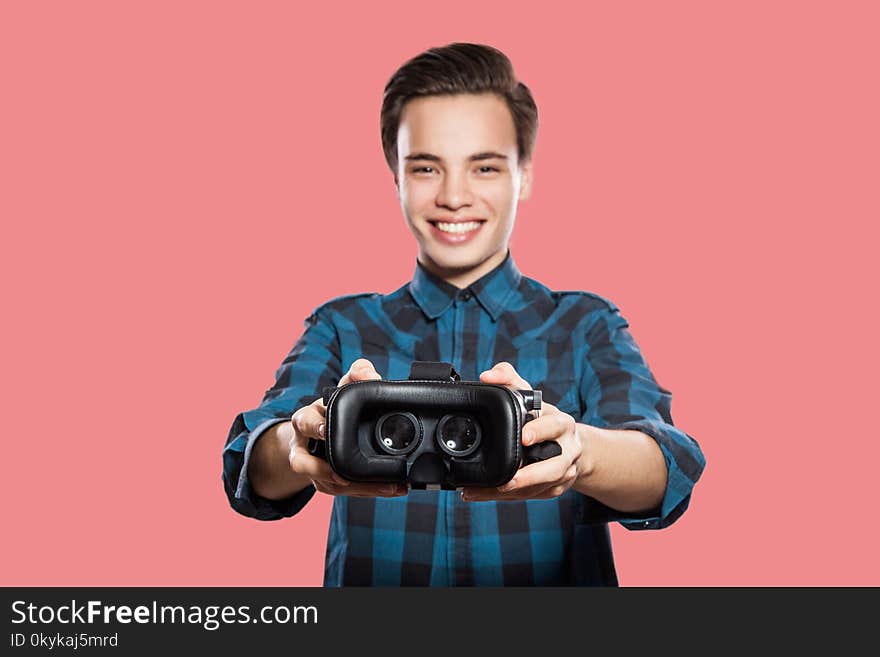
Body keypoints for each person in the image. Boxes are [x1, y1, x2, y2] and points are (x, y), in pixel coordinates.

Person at [222, 42, 706, 586]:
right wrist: (301, 443)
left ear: (523, 175)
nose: (455, 196)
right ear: (395, 177)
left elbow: (669, 465)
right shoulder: (341, 327)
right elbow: (250, 458)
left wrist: (581, 454)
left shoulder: (585, 325)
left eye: (485, 166)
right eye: (427, 167)